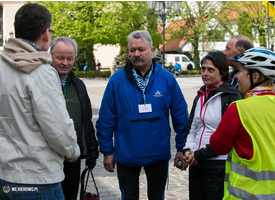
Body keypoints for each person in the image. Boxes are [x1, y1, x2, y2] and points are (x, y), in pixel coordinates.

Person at [185, 47, 275, 199]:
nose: (237, 76)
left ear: (255, 76)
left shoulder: (239, 108)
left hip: (249, 193)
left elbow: (219, 145)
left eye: (241, 72)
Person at [0, 3, 80, 200]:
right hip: (38, 178)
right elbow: (58, 128)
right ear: (46, 34)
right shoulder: (42, 72)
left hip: (5, 177)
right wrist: (73, 150)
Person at [96, 30, 189, 200]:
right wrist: (107, 151)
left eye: (141, 49)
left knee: (156, 196)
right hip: (126, 154)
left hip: (157, 153)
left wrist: (181, 148)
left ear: (152, 50)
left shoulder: (167, 79)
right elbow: (105, 119)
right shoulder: (116, 81)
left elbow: (181, 116)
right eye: (132, 50)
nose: (136, 54)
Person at [183, 51, 242, 200]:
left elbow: (226, 137)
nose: (205, 73)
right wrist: (188, 150)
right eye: (203, 69)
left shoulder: (231, 97)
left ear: (222, 72)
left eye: (210, 70)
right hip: (196, 162)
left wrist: (199, 154)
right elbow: (193, 127)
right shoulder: (200, 95)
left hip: (217, 164)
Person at [49, 36, 99, 200]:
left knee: (70, 195)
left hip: (73, 157)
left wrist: (92, 151)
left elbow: (87, 120)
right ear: (50, 56)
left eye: (69, 58)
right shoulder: (43, 83)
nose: (65, 63)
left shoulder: (78, 85)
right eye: (60, 58)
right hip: (48, 158)